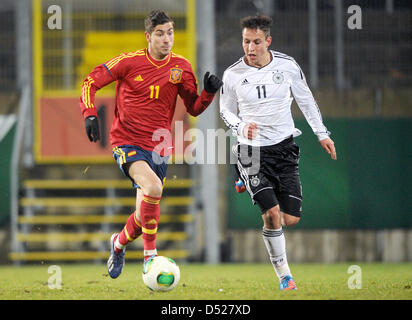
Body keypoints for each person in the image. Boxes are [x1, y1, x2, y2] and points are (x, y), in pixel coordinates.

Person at [79, 10, 223, 279]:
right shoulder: (129, 62)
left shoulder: (181, 68)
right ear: (148, 36)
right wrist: (89, 113)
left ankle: (118, 243)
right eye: (159, 34)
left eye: (170, 33)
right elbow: (90, 82)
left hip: (158, 148)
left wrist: (209, 93)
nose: (166, 39)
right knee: (154, 187)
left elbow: (193, 108)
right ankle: (150, 258)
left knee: (141, 216)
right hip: (126, 141)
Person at [219, 15, 337, 290]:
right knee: (271, 215)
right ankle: (285, 276)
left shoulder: (287, 66)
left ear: (268, 41)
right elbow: (225, 110)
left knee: (290, 219)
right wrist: (240, 125)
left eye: (256, 42)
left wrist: (322, 133)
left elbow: (306, 99)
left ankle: (241, 179)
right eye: (246, 41)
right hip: (251, 152)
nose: (250, 47)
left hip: (284, 149)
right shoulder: (233, 74)